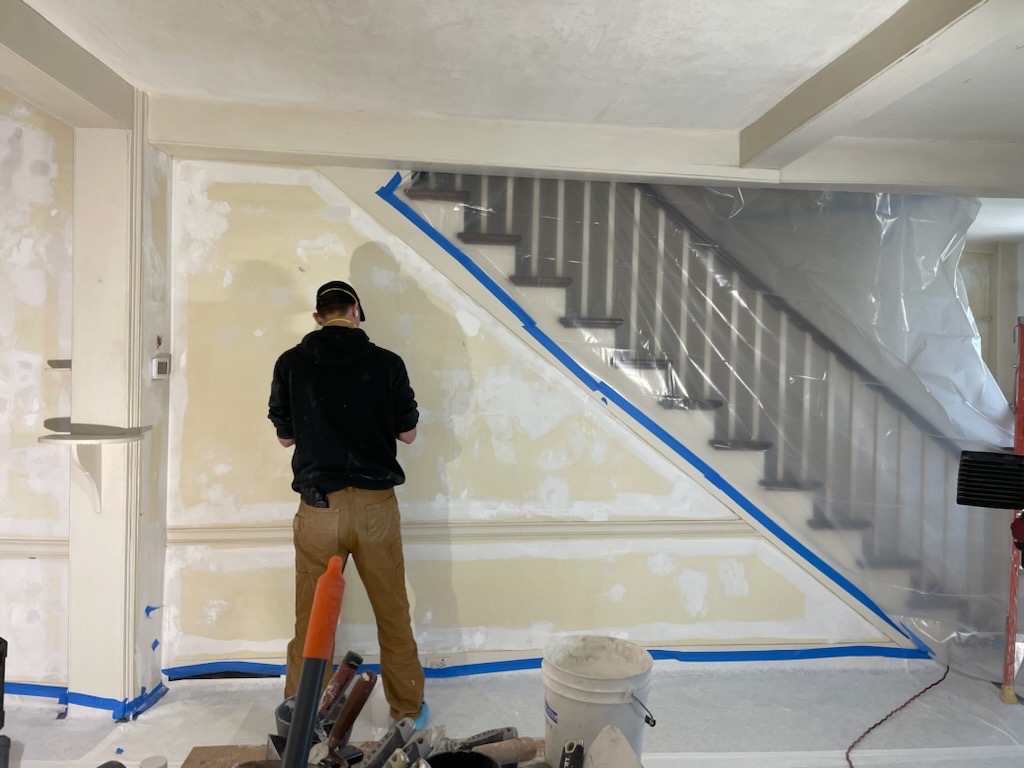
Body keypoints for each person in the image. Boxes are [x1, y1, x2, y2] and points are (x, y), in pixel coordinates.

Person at [268, 279, 427, 726]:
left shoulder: (291, 364)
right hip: (376, 509)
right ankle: (407, 714)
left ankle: (301, 721)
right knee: (393, 615)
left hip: (319, 510)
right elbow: (409, 434)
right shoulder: (387, 363)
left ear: (319, 316)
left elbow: (285, 438)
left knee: (312, 624)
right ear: (356, 311)